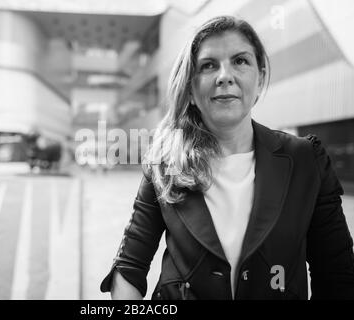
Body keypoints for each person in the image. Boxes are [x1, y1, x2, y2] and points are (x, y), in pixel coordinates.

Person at [100, 16, 354, 300]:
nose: (224, 75)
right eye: (208, 65)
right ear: (192, 91)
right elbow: (129, 268)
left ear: (259, 80)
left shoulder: (307, 160)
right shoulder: (164, 164)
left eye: (240, 61)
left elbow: (336, 275)